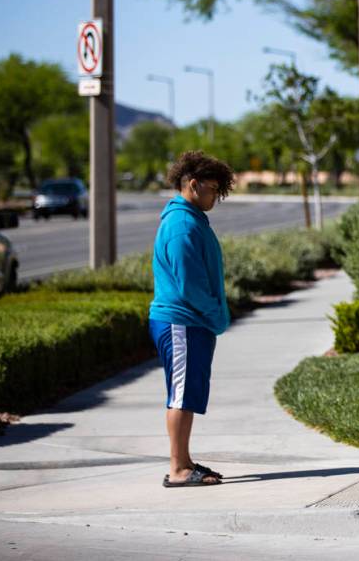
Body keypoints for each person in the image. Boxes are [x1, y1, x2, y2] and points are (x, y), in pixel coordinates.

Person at [149, 150, 234, 487]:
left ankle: (184, 462)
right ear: (193, 184)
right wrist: (217, 317)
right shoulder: (182, 225)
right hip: (182, 321)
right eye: (213, 189)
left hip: (190, 322)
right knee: (181, 395)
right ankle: (178, 470)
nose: (216, 196)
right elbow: (191, 285)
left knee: (187, 393)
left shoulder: (190, 218)